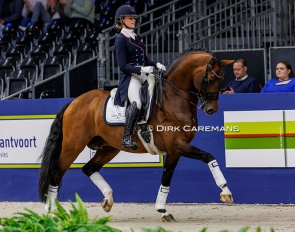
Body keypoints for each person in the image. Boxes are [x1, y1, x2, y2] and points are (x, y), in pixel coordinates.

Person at [114, 5, 166, 150]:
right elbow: (123, 65)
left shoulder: (137, 37)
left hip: (143, 75)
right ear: (122, 20)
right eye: (130, 18)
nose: (133, 20)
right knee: (137, 103)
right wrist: (141, 69)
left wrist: (156, 64)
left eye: (134, 18)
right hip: (130, 77)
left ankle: (148, 127)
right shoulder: (120, 39)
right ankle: (127, 137)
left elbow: (145, 59)